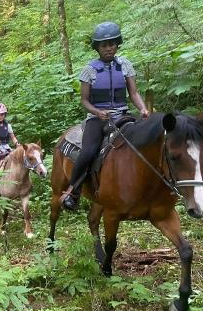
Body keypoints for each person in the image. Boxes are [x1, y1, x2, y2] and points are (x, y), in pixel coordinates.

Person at [61, 21, 149, 211]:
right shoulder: (89, 70)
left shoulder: (125, 65)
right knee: (88, 152)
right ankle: (73, 192)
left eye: (112, 44)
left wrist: (143, 109)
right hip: (97, 118)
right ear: (97, 48)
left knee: (147, 139)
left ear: (117, 44)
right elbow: (84, 100)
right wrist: (97, 112)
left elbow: (134, 93)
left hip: (122, 114)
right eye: (104, 45)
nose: (109, 48)